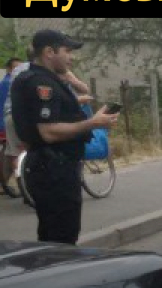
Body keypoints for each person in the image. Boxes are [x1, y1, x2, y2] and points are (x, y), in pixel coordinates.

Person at [10, 30, 118, 244]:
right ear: (49, 52)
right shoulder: (42, 83)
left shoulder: (38, 78)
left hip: (51, 166)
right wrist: (93, 123)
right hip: (54, 168)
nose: (72, 57)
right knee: (61, 237)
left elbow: (50, 114)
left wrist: (85, 112)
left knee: (55, 235)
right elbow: (48, 131)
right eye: (67, 51)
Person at [0, 57, 22, 194]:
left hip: (4, 123)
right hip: (6, 123)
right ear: (9, 69)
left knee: (9, 151)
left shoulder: (5, 82)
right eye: (15, 68)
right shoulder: (9, 83)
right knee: (13, 152)